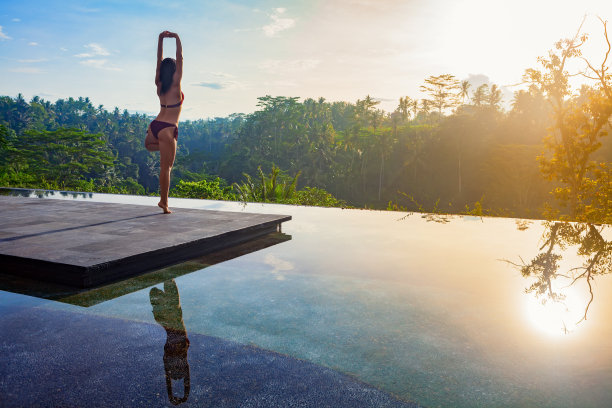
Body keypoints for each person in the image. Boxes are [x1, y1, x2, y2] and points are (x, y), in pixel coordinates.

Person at [145, 30, 183, 214]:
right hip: (168, 129)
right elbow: (180, 57)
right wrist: (176, 38)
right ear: (175, 70)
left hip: (155, 126)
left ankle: (164, 147)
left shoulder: (159, 83)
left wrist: (160, 39)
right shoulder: (176, 84)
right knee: (166, 167)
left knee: (152, 147)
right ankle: (164, 202)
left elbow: (158, 61)